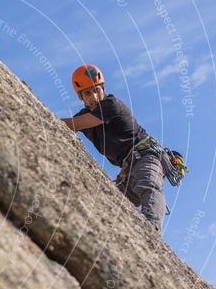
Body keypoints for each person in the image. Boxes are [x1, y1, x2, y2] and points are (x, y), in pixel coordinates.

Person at [60, 64, 167, 232]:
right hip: (127, 169)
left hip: (146, 156)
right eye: (88, 93)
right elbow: (69, 127)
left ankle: (152, 231)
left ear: (103, 88)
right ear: (81, 97)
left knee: (147, 186)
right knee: (114, 206)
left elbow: (74, 125)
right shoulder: (84, 116)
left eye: (97, 90)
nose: (94, 96)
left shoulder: (111, 105)